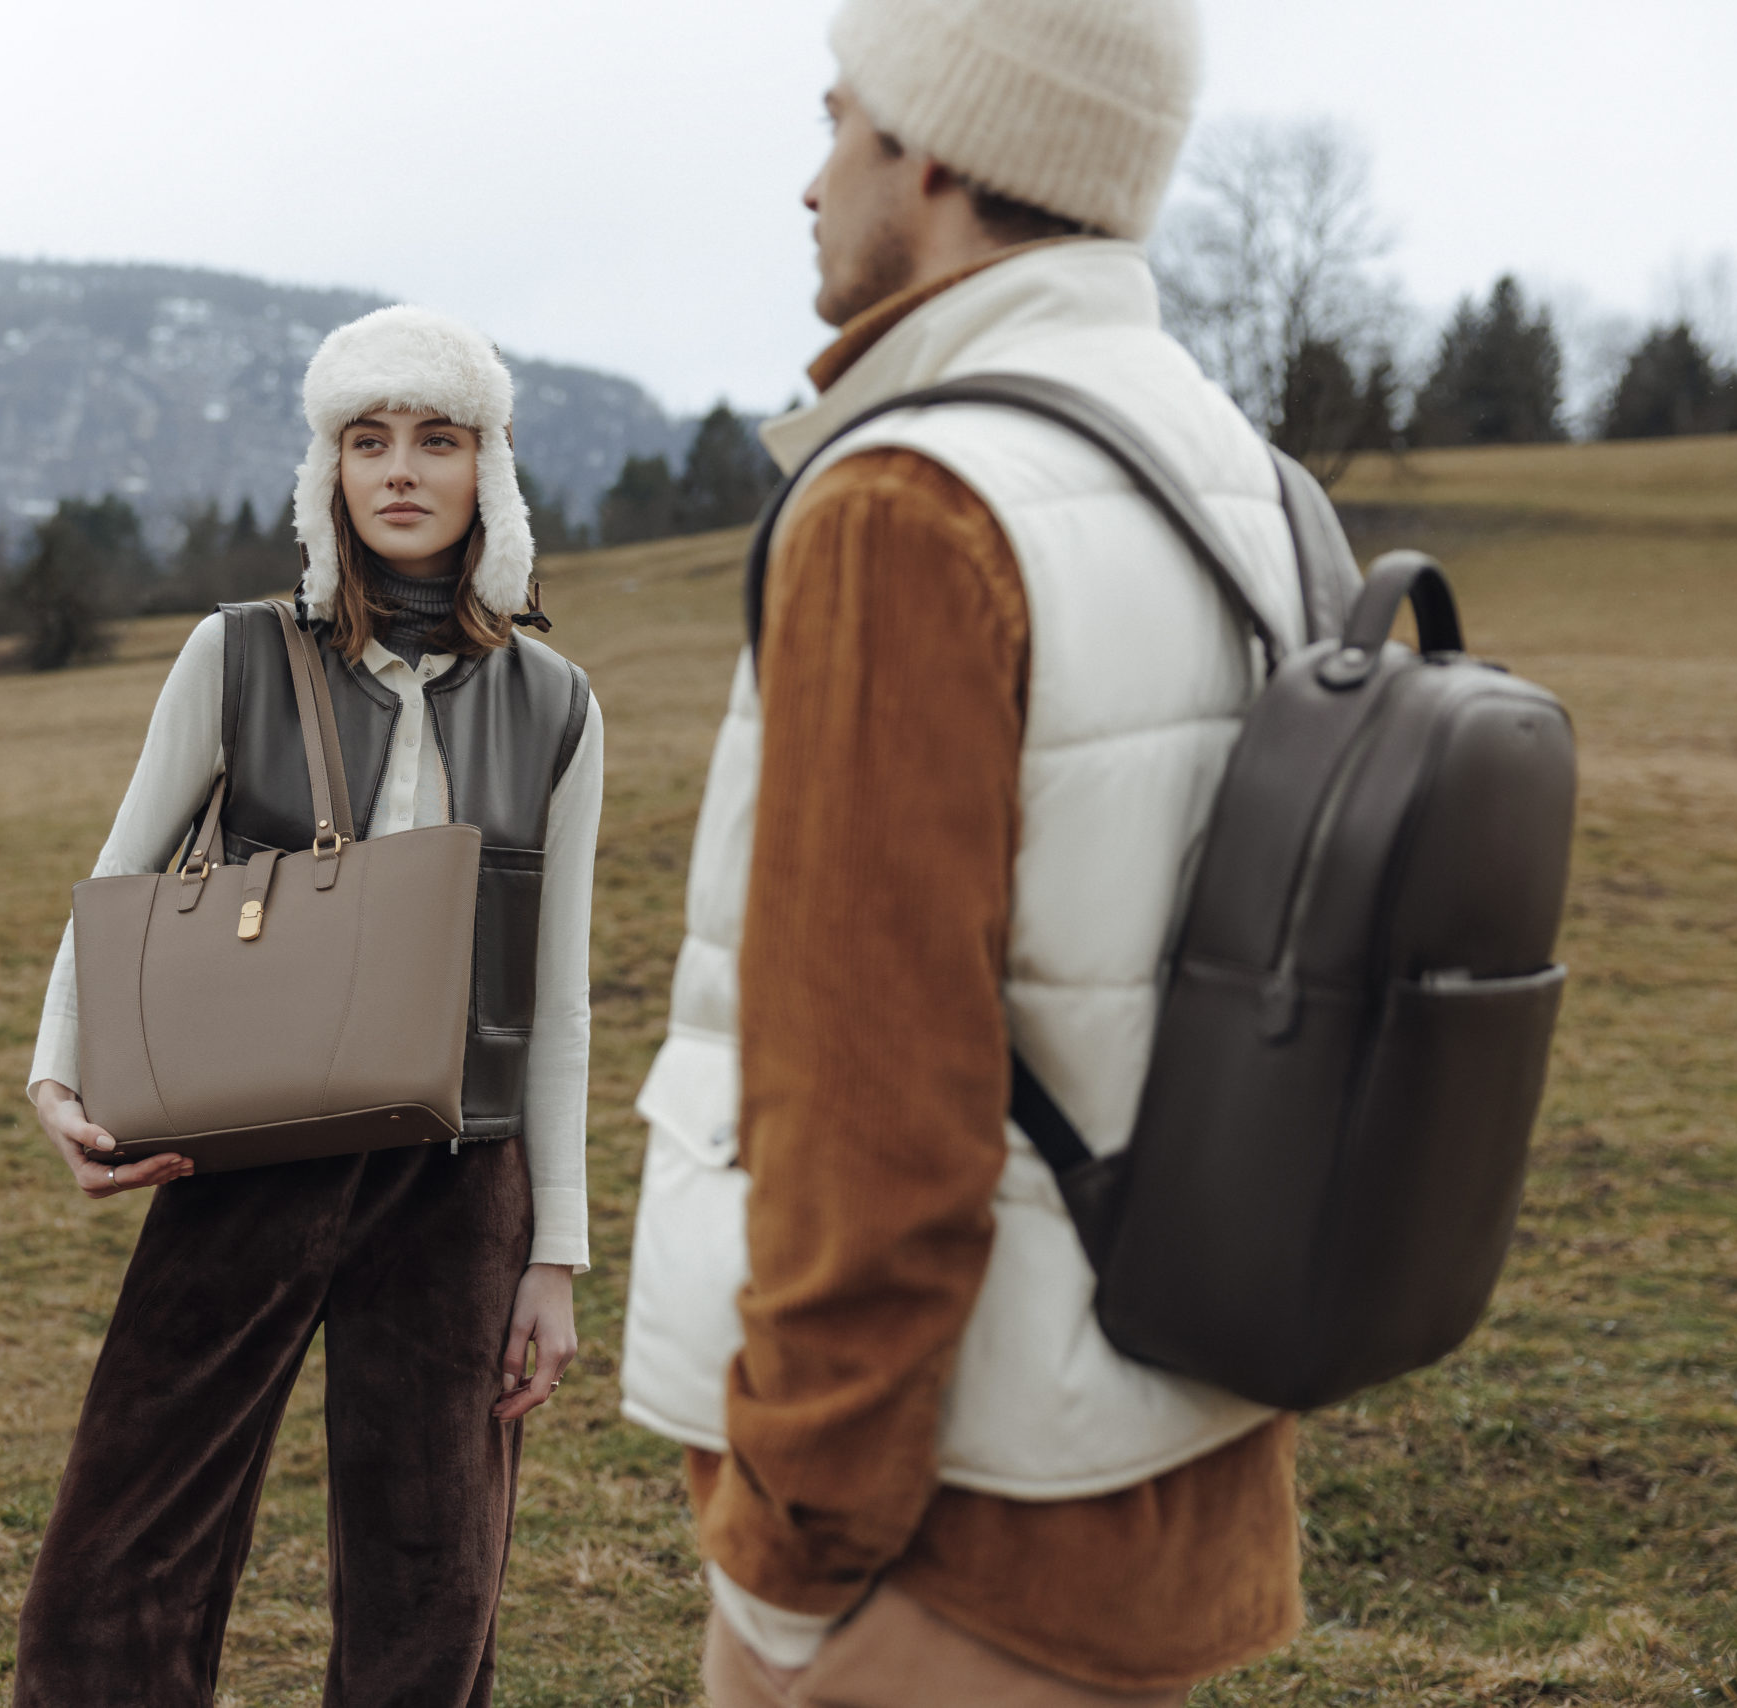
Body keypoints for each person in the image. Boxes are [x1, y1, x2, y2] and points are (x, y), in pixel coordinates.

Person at [618, 1, 1312, 1703]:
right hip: (1176, 1470)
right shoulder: (1248, 482)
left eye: (838, 119)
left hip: (950, 1540)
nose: (811, 182)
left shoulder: (910, 508)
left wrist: (793, 1564)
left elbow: (873, 1111)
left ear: (930, 148)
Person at [15, 305, 604, 1708]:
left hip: (459, 1177)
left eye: (437, 440)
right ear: (326, 470)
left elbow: (560, 993)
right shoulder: (234, 654)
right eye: (367, 439)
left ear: (487, 468)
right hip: (240, 1149)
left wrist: (556, 1256)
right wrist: (56, 1077)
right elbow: (120, 878)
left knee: (433, 1581)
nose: (400, 469)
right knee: (126, 1547)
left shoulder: (557, 703)